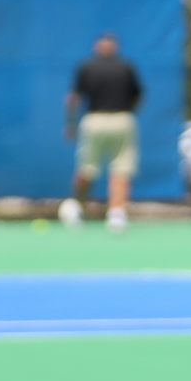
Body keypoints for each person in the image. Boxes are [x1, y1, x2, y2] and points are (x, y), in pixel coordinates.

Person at [60, 33, 142, 232]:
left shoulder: (87, 67)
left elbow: (72, 99)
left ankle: (79, 207)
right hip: (123, 120)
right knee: (120, 169)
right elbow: (138, 95)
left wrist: (70, 123)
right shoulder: (126, 67)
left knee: (88, 167)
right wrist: (128, 113)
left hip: (94, 121)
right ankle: (116, 214)